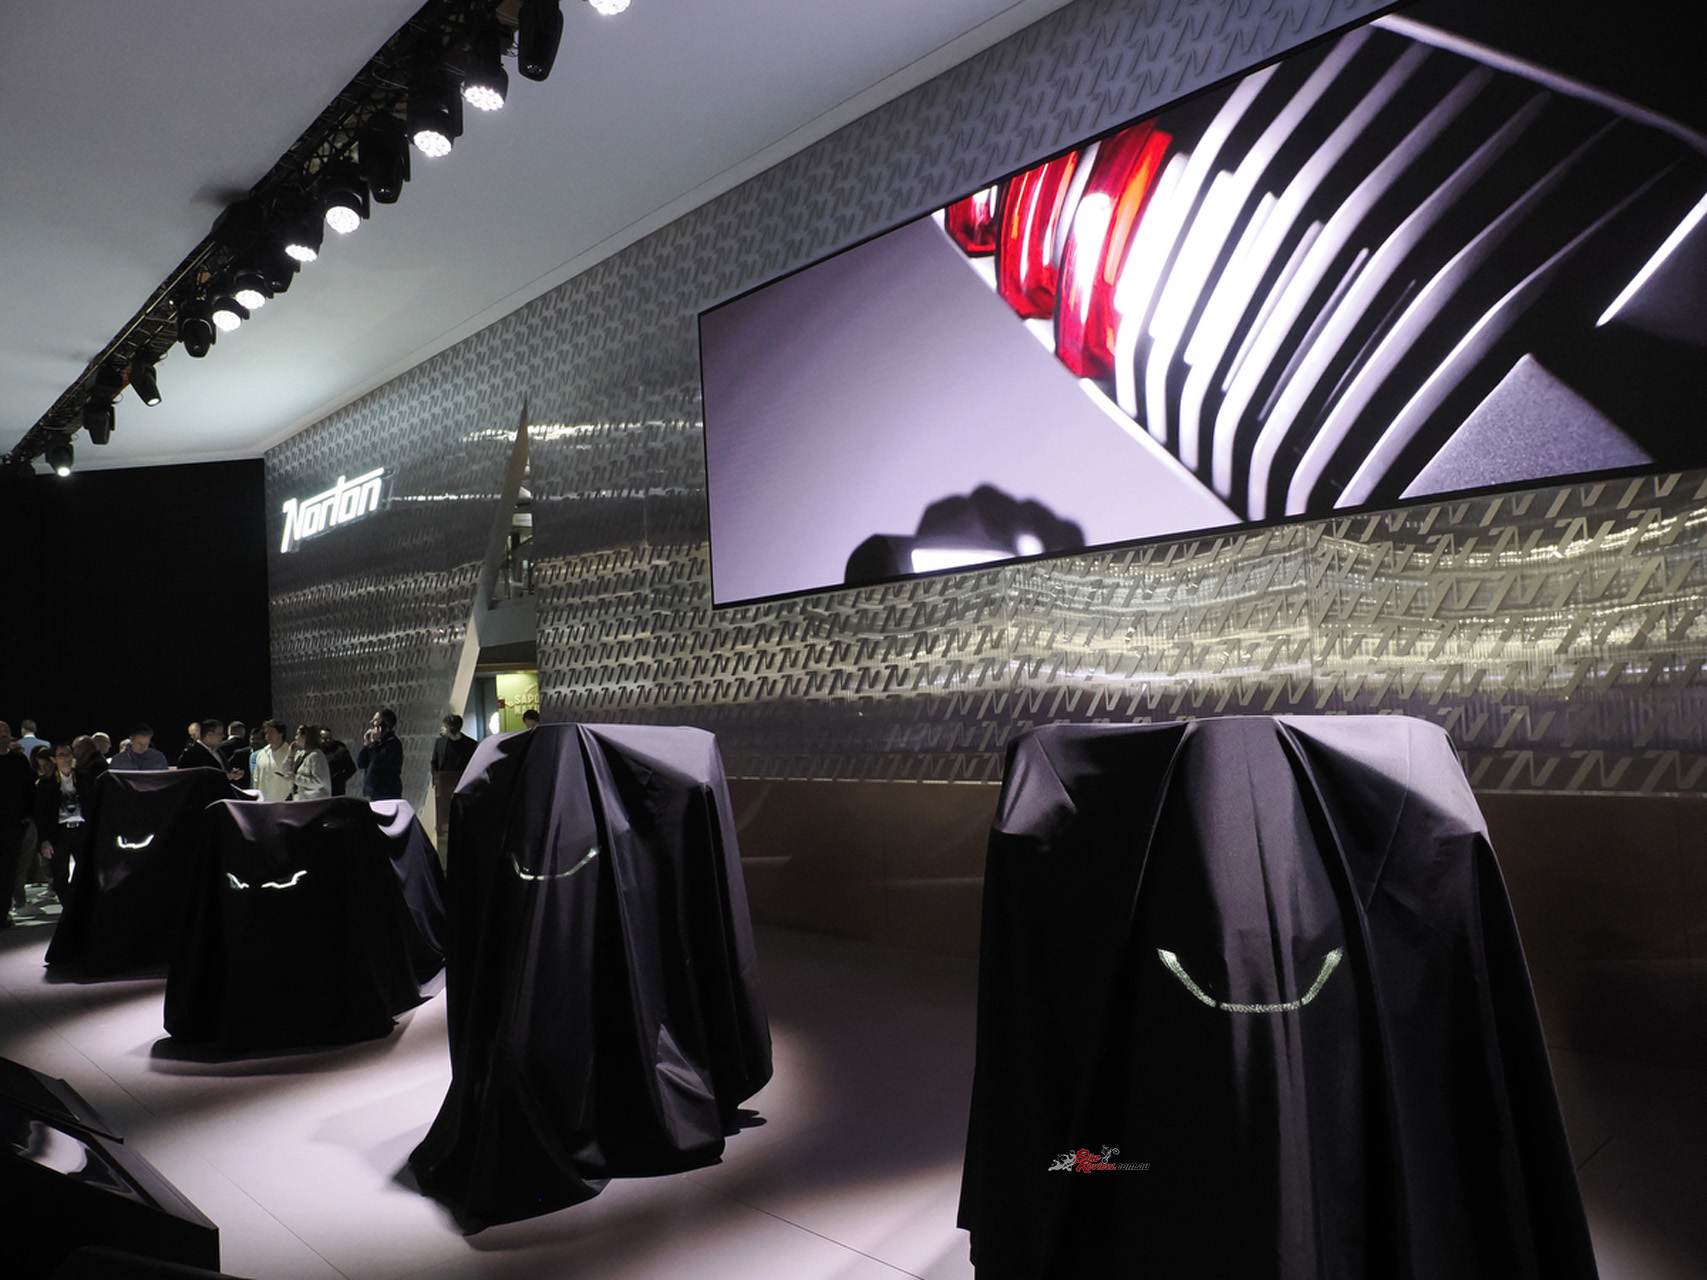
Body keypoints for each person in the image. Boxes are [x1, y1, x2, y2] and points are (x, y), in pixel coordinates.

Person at [33, 742, 84, 906]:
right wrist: (44, 840)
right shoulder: (45, 784)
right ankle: (69, 907)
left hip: (81, 830)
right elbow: (41, 814)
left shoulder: (85, 778)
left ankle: (79, 904)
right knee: (60, 875)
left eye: (68, 754)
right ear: (53, 759)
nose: (66, 758)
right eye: (61, 755)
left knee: (85, 871)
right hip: (59, 833)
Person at [0, 722, 35, 929]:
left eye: (6, 733)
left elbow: (29, 789)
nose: (3, 737)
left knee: (8, 871)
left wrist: (28, 816)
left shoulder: (18, 760)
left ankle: (2, 914)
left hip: (13, 825)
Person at [430, 714, 477, 852]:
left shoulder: (470, 745)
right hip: (443, 789)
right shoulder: (440, 743)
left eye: (445, 726)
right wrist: (436, 779)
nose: (442, 728)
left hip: (461, 788)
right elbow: (434, 762)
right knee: (444, 819)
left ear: (453, 728)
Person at [356, 708, 403, 800]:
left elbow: (377, 762)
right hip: (372, 792)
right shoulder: (375, 744)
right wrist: (367, 744)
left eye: (376, 722)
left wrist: (373, 744)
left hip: (387, 792)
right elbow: (360, 763)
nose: (372, 723)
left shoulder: (392, 743)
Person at [252, 720, 294, 802]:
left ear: (281, 733)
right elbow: (256, 779)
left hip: (283, 802)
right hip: (263, 802)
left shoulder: (290, 755)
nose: (268, 736)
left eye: (271, 732)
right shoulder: (262, 754)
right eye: (266, 733)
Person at [286, 726, 332, 801]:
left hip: (315, 801)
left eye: (297, 735)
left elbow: (319, 781)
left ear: (305, 737)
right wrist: (290, 755)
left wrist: (296, 778)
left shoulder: (316, 755)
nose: (295, 738)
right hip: (300, 799)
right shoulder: (301, 754)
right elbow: (286, 771)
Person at [321, 728, 356, 796]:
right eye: (323, 738)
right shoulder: (317, 752)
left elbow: (351, 768)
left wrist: (339, 780)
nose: (326, 741)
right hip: (321, 790)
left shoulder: (340, 751)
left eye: (328, 738)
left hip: (336, 790)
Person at [223, 721, 251, 787]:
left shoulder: (220, 746)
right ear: (243, 731)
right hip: (245, 783)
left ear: (229, 731)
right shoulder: (248, 746)